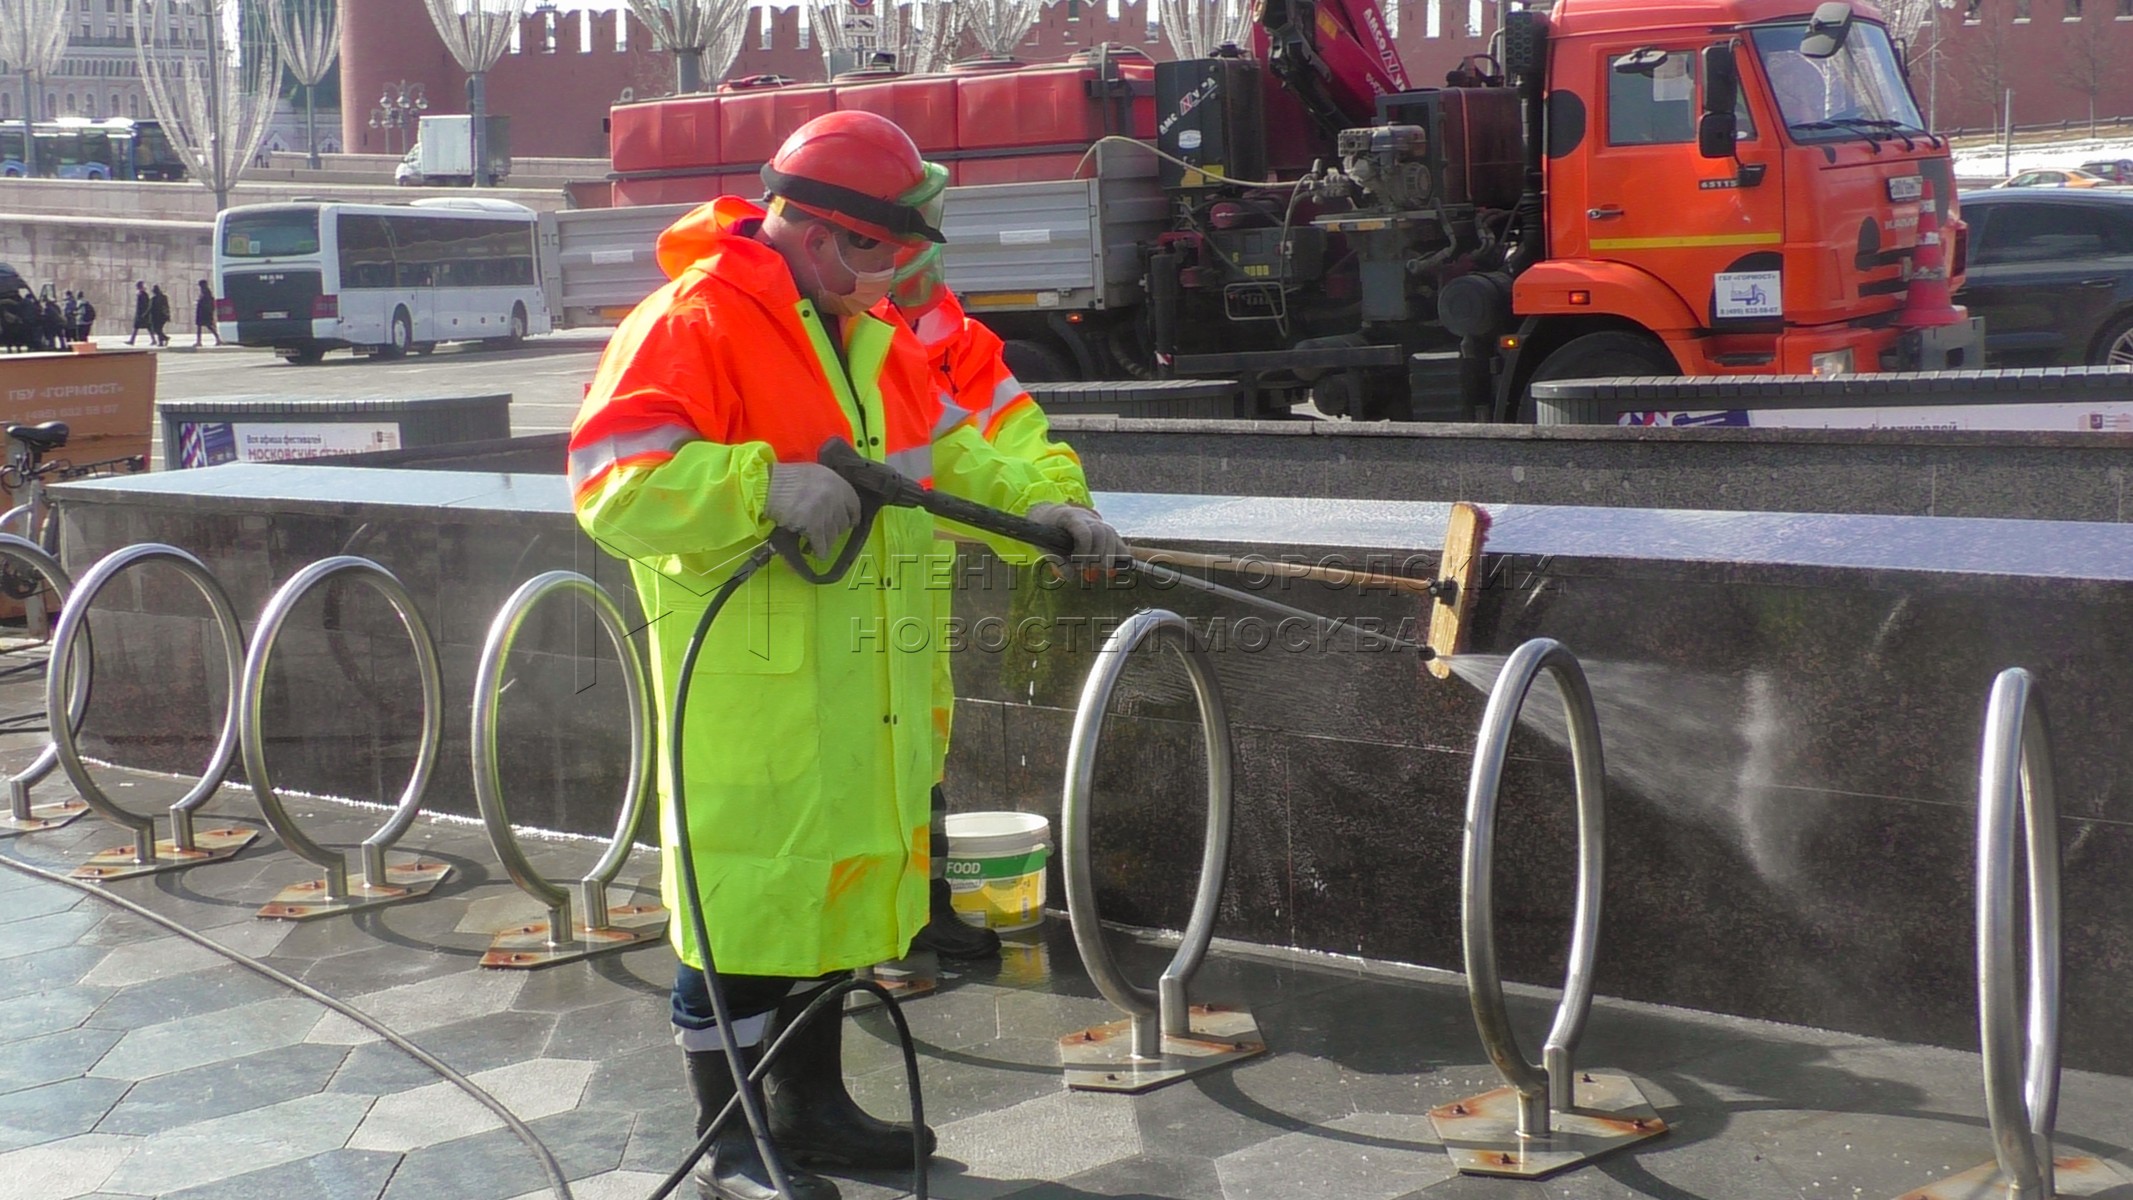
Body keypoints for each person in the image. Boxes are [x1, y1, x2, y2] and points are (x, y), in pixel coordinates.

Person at [568, 110, 1124, 1200]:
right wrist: (756, 487)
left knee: (825, 911)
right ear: (826, 237)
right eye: (888, 253)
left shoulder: (867, 342)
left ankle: (811, 1112)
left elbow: (951, 457)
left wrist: (1051, 509)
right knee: (739, 923)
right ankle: (731, 1140)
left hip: (857, 694)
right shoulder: (692, 323)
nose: (901, 279)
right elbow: (609, 486)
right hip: (753, 698)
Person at [885, 246, 1096, 962]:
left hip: (910, 580)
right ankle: (875, 923)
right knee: (857, 756)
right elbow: (952, 464)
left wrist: (1060, 506)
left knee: (913, 744)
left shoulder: (957, 347)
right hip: (840, 585)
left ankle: (924, 908)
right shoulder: (842, 341)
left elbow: (1021, 443)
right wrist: (1032, 513)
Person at [194, 280, 221, 346]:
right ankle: (199, 341)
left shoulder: (206, 292)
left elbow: (206, 303)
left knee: (207, 326)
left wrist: (199, 302)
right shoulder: (205, 292)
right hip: (203, 312)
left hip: (204, 313)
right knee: (204, 327)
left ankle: (199, 341)